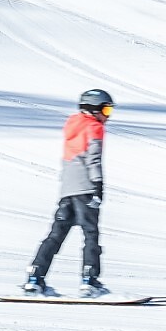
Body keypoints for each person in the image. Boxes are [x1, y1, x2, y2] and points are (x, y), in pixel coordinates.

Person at [21, 88, 113, 297]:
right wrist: (98, 186)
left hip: (67, 191)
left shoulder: (72, 125)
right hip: (86, 189)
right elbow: (94, 159)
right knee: (90, 235)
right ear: (93, 109)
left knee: (55, 235)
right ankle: (90, 281)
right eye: (106, 110)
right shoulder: (94, 127)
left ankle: (35, 278)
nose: (107, 117)